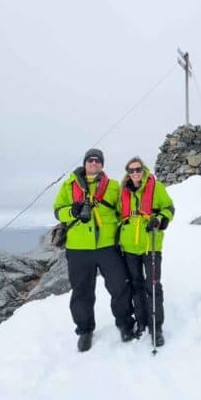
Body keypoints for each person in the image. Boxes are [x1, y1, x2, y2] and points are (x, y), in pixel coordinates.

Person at [53, 148, 135, 352]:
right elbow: (58, 211)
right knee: (82, 291)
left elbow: (123, 210)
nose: (94, 163)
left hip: (108, 246)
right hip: (78, 248)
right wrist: (72, 211)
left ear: (102, 165)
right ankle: (84, 330)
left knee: (119, 286)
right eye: (90, 160)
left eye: (98, 161)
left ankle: (125, 323)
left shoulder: (113, 186)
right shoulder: (69, 184)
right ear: (85, 163)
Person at [117, 157, 174, 347]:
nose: (134, 173)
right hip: (130, 248)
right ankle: (141, 322)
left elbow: (169, 208)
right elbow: (118, 215)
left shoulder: (156, 187)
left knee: (153, 285)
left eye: (137, 169)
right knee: (135, 285)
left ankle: (156, 327)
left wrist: (158, 219)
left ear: (143, 169)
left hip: (151, 245)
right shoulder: (123, 192)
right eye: (131, 170)